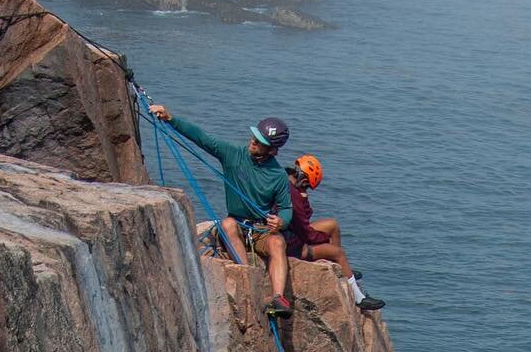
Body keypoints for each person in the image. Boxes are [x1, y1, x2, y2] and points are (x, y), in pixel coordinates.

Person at [149, 104, 296, 315]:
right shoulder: (234, 154)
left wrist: (281, 221)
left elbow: (286, 209)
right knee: (227, 224)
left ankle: (278, 298)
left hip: (260, 230)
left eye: (260, 142)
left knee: (278, 241)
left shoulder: (278, 175)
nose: (252, 141)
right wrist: (170, 118)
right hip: (237, 224)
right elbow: (203, 138)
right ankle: (248, 274)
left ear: (272, 150)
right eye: (254, 137)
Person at [286, 154, 386, 313]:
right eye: (307, 187)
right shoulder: (293, 195)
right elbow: (306, 233)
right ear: (304, 180)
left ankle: (343, 271)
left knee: (332, 225)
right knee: (338, 252)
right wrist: (324, 240)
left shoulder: (289, 186)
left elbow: (305, 218)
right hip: (295, 245)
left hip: (293, 233)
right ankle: (359, 298)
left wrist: (303, 197)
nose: (306, 190)